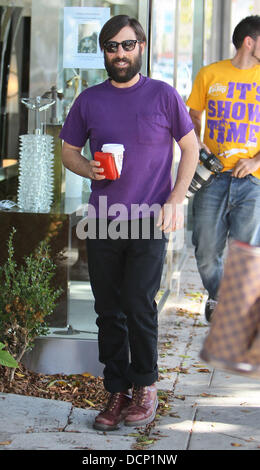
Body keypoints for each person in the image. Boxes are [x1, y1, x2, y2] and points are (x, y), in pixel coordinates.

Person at [60, 14, 198, 431]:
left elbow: (190, 149)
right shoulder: (89, 100)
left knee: (139, 304)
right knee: (107, 310)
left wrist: (175, 199)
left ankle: (146, 385)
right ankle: (116, 388)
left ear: (141, 47)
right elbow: (68, 151)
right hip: (103, 221)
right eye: (111, 47)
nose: (119, 54)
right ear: (104, 52)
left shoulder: (163, 96)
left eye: (126, 45)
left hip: (148, 221)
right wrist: (90, 170)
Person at [186, 15, 260, 322]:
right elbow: (191, 117)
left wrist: (255, 161)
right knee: (205, 252)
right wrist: (198, 145)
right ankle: (219, 296)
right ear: (249, 42)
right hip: (212, 178)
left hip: (252, 181)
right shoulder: (210, 74)